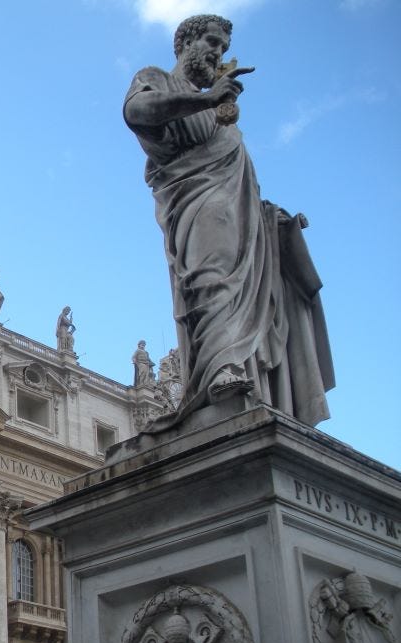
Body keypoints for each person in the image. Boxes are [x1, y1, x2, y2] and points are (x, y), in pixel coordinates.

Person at [124, 14, 333, 428]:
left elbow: (246, 194)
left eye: (222, 47)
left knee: (241, 296)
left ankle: (244, 377)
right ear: (185, 44)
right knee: (209, 280)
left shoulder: (226, 127)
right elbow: (136, 111)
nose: (218, 54)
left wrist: (277, 223)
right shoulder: (156, 80)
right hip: (195, 204)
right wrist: (208, 100)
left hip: (243, 222)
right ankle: (221, 371)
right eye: (212, 43)